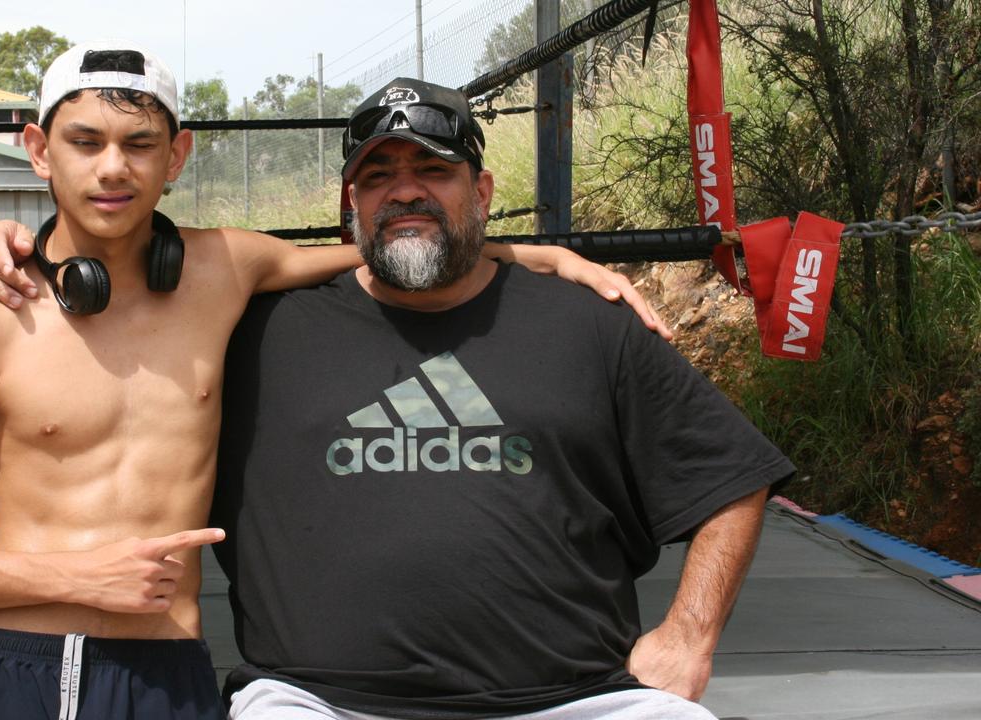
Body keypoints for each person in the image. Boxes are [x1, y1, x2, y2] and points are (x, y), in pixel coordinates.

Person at [0, 41, 661, 720]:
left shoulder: (224, 269)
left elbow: (392, 247)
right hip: (31, 665)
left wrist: (540, 256)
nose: (112, 167)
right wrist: (77, 577)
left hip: (172, 672)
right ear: (40, 151)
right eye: (84, 142)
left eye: (139, 143)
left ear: (176, 156)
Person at [206, 78, 795, 719]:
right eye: (379, 176)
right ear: (352, 203)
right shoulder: (258, 333)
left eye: (434, 168)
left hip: (578, 701)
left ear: (482, 193)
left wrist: (689, 637)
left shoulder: (586, 324)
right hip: (315, 702)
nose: (405, 189)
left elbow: (732, 478)